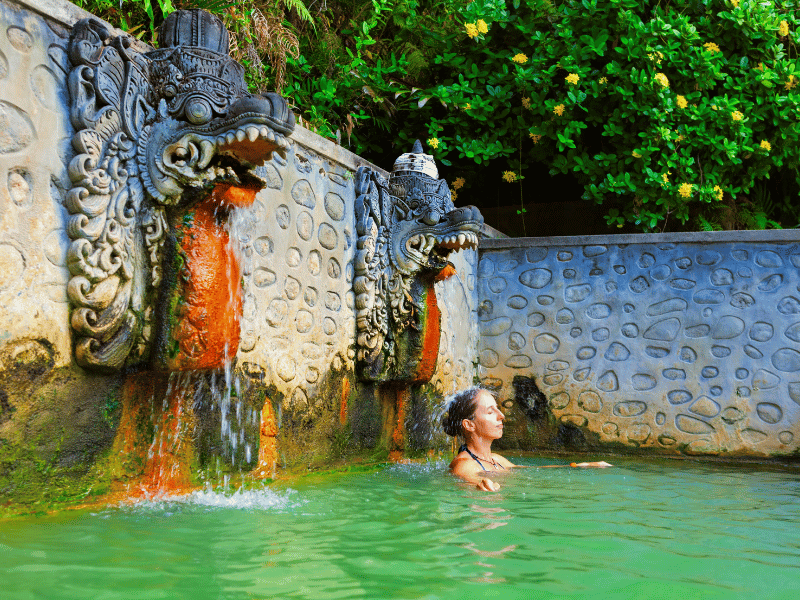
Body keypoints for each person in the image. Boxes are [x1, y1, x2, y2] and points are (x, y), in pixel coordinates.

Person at [442, 387, 611, 491]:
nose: (501, 416)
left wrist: (580, 466)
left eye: (498, 409)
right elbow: (470, 479)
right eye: (490, 412)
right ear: (469, 425)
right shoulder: (464, 465)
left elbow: (530, 470)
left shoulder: (496, 460)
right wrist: (481, 485)